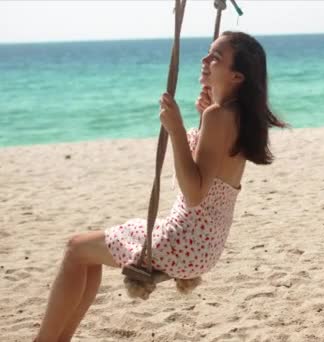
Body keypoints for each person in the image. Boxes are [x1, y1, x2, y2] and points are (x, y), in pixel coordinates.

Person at [35, 31, 286, 342]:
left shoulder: (218, 116)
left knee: (75, 248)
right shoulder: (237, 116)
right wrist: (197, 121)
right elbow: (213, 169)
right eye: (208, 54)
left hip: (182, 242)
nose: (205, 60)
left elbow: (195, 193)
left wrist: (177, 130)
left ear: (236, 76)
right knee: (85, 252)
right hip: (203, 245)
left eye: (215, 58)